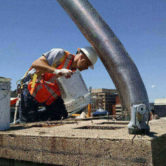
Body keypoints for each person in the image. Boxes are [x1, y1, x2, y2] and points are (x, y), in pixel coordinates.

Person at [19, 46, 98, 123]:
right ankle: (32, 118)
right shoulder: (60, 54)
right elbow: (36, 64)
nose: (87, 68)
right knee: (28, 121)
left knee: (61, 115)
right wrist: (57, 71)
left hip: (48, 97)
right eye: (87, 64)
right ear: (82, 57)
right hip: (32, 88)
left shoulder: (73, 73)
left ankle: (37, 119)